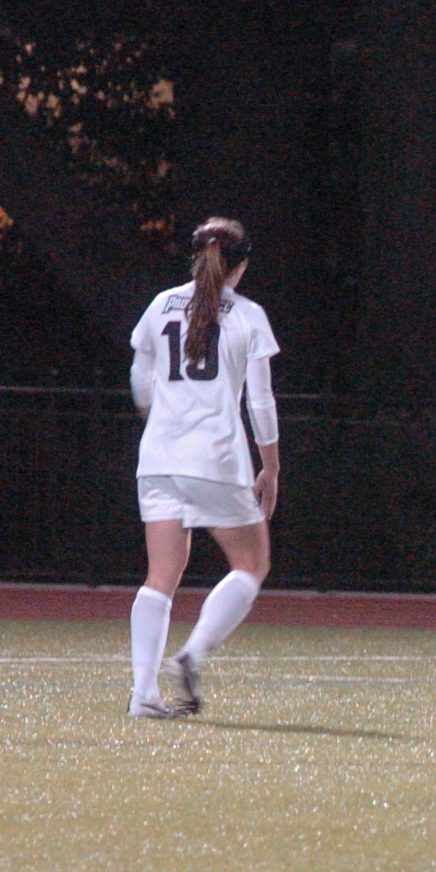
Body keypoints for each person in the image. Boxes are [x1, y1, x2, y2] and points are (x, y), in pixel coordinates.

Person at [123, 217, 281, 719]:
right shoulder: (248, 315)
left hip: (158, 457)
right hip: (215, 457)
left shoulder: (159, 305)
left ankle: (143, 695)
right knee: (251, 565)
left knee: (160, 576)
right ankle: (190, 655)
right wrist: (271, 468)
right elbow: (260, 402)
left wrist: (163, 422)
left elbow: (140, 378)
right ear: (241, 265)